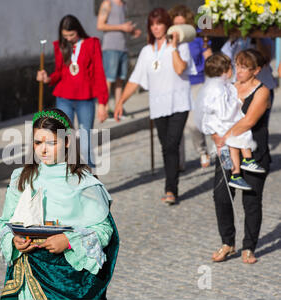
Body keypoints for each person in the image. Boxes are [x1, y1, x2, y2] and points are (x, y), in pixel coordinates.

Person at [0, 109, 119, 300]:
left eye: (51, 143)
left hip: (67, 279)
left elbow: (104, 230)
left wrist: (69, 240)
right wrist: (14, 241)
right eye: (38, 142)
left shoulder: (84, 184)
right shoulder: (21, 178)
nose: (43, 150)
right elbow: (5, 223)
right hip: (29, 275)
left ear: (67, 141)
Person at [114, 8, 196, 205]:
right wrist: (120, 102)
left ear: (166, 25)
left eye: (159, 23)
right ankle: (171, 184)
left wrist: (174, 46)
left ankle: (171, 189)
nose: (156, 27)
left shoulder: (181, 46)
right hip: (158, 105)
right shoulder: (146, 51)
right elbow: (135, 80)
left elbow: (180, 68)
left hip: (179, 103)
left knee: (172, 144)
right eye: (153, 24)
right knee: (165, 146)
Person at [210, 49, 271, 264]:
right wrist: (216, 136)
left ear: (256, 70)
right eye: (238, 65)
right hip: (227, 152)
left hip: (253, 154)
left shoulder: (263, 91)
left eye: (245, 67)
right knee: (221, 196)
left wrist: (224, 136)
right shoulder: (227, 88)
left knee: (252, 201)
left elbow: (249, 121)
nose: (240, 71)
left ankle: (249, 247)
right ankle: (228, 242)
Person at [36, 15, 109, 167]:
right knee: (62, 138)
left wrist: (102, 102)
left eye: (72, 35)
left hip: (85, 99)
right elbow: (59, 72)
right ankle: (65, 174)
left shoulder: (92, 43)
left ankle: (91, 176)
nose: (68, 39)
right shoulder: (60, 46)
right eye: (65, 36)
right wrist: (47, 79)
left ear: (79, 31)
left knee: (85, 140)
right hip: (64, 98)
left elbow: (99, 73)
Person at [196, 53, 265, 192]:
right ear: (225, 71)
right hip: (222, 123)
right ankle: (245, 161)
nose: (235, 70)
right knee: (241, 136)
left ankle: (236, 173)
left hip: (221, 124)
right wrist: (238, 104)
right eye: (233, 67)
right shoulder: (219, 89)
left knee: (234, 146)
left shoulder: (220, 86)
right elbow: (223, 111)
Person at [168, 4, 212, 169]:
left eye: (182, 24)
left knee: (193, 123)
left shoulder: (198, 39)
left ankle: (202, 150)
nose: (179, 28)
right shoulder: (169, 41)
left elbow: (208, 60)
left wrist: (209, 57)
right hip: (176, 85)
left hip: (196, 82)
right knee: (176, 126)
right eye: (176, 24)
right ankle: (178, 162)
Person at [97, 0, 141, 116]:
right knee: (109, 79)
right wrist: (122, 27)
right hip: (111, 46)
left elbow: (122, 26)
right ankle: (105, 107)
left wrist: (132, 31)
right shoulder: (107, 3)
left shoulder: (124, 5)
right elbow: (100, 25)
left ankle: (118, 107)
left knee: (120, 79)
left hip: (123, 47)